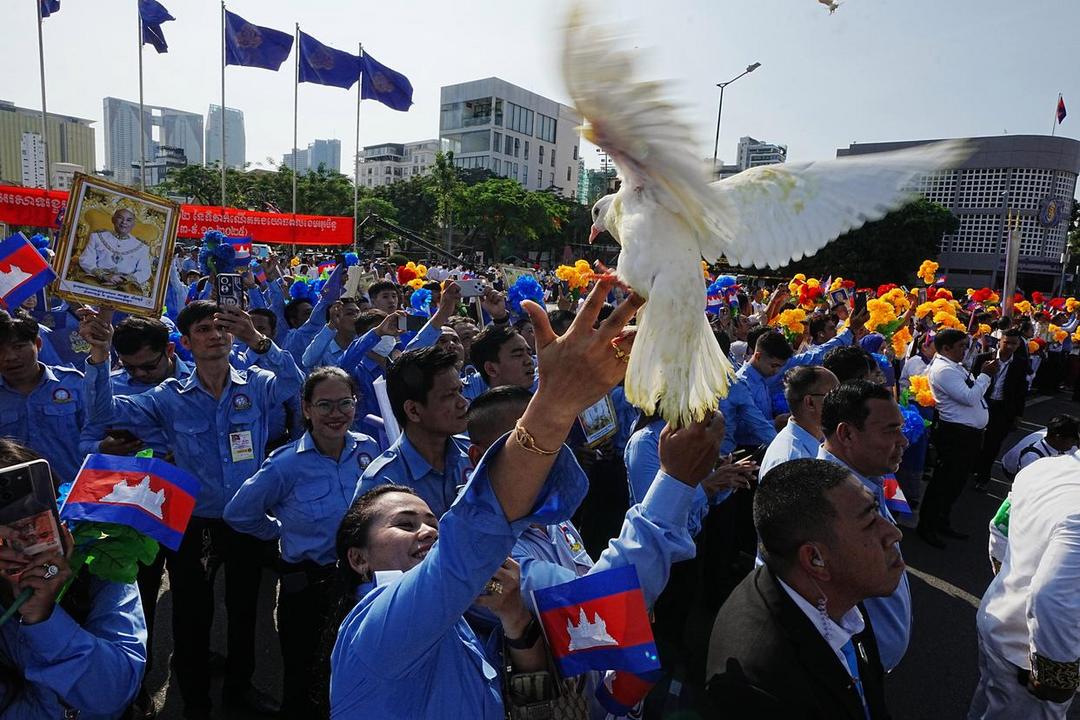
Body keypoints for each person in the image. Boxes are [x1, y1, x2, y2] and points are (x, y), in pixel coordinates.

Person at [327, 276, 642, 718]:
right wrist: (555, 403)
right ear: (359, 559)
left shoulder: (461, 626)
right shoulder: (377, 630)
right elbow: (468, 544)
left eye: (433, 522)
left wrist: (515, 622)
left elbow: (532, 705)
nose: (429, 530)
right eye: (404, 524)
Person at [79, 300, 303, 718]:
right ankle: (194, 700)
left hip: (247, 520)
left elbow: (295, 384)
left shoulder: (255, 381)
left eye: (222, 328)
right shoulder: (167, 397)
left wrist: (258, 339)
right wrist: (98, 355)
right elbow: (102, 412)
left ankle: (239, 690)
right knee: (191, 615)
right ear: (184, 343)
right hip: (193, 521)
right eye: (203, 329)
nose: (215, 335)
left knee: (244, 613)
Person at [224, 367, 380, 717]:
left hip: (363, 585)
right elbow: (239, 513)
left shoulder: (367, 449)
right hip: (310, 589)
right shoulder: (285, 465)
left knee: (357, 675)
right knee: (304, 681)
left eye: (345, 403)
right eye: (324, 405)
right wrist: (278, 532)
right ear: (306, 408)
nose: (336, 414)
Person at [706, 459, 902, 719]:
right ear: (815, 560)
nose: (894, 533)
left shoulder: (835, 593)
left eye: (876, 510)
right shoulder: (761, 686)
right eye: (868, 523)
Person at [0, 438, 147, 719]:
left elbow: (113, 694)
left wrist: (43, 618)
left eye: (31, 515)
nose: (21, 536)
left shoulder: (103, 562)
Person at [970, 448, 1080, 719]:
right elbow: (1051, 598)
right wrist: (1055, 676)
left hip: (997, 617)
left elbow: (999, 528)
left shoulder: (1041, 469)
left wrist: (1011, 584)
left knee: (987, 701)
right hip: (1029, 656)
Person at [817, 380, 912, 671]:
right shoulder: (823, 504)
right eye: (890, 431)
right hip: (854, 668)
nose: (903, 441)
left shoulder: (869, 480)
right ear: (846, 434)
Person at [355, 347, 473, 518]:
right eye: (449, 395)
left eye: (460, 391)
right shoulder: (382, 483)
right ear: (413, 411)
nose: (463, 403)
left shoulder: (474, 455)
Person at [918, 328, 996, 549]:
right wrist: (985, 375)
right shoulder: (943, 370)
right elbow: (969, 397)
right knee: (944, 482)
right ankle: (928, 527)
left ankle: (942, 521)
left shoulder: (954, 366)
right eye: (961, 346)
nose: (965, 350)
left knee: (956, 482)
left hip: (968, 434)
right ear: (946, 348)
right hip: (956, 434)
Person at [0, 310, 88, 486]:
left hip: (71, 494)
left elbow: (94, 437)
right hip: (14, 500)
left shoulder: (73, 384)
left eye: (18, 347)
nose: (10, 357)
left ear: (38, 344)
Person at [987, 414, 1080, 574]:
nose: (1074, 444)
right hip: (1019, 514)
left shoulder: (1061, 447)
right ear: (1058, 438)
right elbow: (1029, 495)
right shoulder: (1033, 457)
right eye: (1072, 440)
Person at [971, 330, 1029, 491]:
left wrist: (1018, 415)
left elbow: (1021, 391)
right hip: (982, 405)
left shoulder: (1021, 362)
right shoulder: (983, 359)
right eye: (1007, 342)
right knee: (976, 440)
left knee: (993, 444)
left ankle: (983, 476)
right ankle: (972, 468)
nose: (1010, 346)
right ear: (999, 342)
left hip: (1004, 409)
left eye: (1014, 343)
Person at [759, 365, 839, 476]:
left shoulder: (817, 440)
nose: (842, 401)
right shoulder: (791, 462)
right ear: (810, 402)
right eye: (834, 395)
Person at [78, 208, 152, 289]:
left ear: (133, 224)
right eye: (120, 218)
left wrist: (124, 280)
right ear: (113, 220)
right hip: (96, 280)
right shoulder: (97, 237)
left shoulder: (142, 247)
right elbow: (86, 260)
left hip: (126, 286)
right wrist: (104, 276)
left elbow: (144, 271)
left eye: (129, 220)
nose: (124, 222)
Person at [462, 324, 534, 401]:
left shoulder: (543, 404)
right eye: (518, 355)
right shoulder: (481, 412)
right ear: (491, 369)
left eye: (529, 353)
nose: (529, 361)